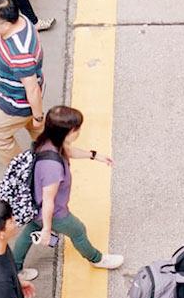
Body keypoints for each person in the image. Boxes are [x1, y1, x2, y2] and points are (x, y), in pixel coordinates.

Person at [11, 105, 122, 272]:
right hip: (54, 212)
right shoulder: (52, 168)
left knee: (30, 230)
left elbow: (68, 151)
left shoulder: (47, 142)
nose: (79, 131)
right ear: (68, 132)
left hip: (34, 205)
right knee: (78, 231)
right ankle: (96, 259)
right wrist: (48, 229)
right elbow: (49, 201)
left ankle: (15, 268)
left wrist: (94, 155)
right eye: (77, 129)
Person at [0, 0, 48, 163]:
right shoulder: (21, 20)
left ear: (6, 24)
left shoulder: (20, 53)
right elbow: (0, 43)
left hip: (16, 104)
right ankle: (50, 154)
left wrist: (38, 116)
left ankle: (21, 171)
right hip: (24, 101)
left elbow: (32, 89)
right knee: (37, 131)